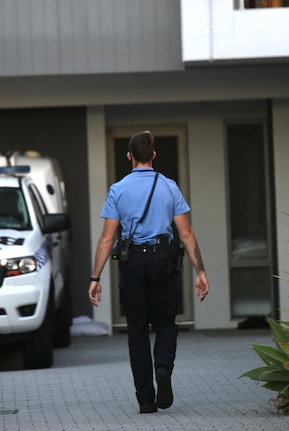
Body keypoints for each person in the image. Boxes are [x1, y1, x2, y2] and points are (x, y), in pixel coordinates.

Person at [88, 131, 209, 414]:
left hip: (131, 264)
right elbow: (186, 233)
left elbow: (107, 238)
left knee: (137, 330)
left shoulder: (118, 189)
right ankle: (163, 367)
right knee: (166, 323)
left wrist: (95, 278)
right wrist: (200, 271)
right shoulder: (169, 187)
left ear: (129, 156)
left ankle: (145, 399)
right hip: (162, 261)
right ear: (153, 155)